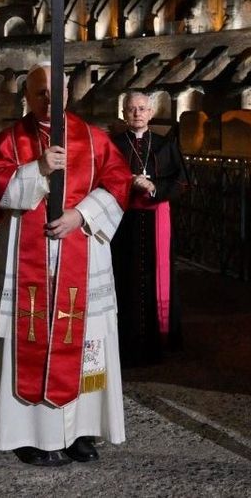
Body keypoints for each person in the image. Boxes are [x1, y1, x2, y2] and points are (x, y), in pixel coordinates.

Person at [0, 64, 132, 467]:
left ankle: (80, 430)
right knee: (29, 339)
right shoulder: (10, 141)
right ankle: (29, 434)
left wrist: (81, 216)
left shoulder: (95, 139)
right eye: (40, 92)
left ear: (68, 93)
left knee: (86, 342)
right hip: (30, 258)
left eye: (56, 92)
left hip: (80, 250)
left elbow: (118, 183)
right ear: (27, 96)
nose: (49, 100)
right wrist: (39, 169)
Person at [109, 91, 189, 366]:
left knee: (157, 277)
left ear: (151, 113)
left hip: (157, 219)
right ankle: (125, 341)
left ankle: (160, 340)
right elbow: (102, 179)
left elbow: (182, 182)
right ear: (124, 113)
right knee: (125, 276)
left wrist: (155, 187)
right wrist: (128, 183)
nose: (137, 113)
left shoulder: (165, 144)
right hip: (124, 221)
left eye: (142, 108)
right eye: (131, 109)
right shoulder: (114, 144)